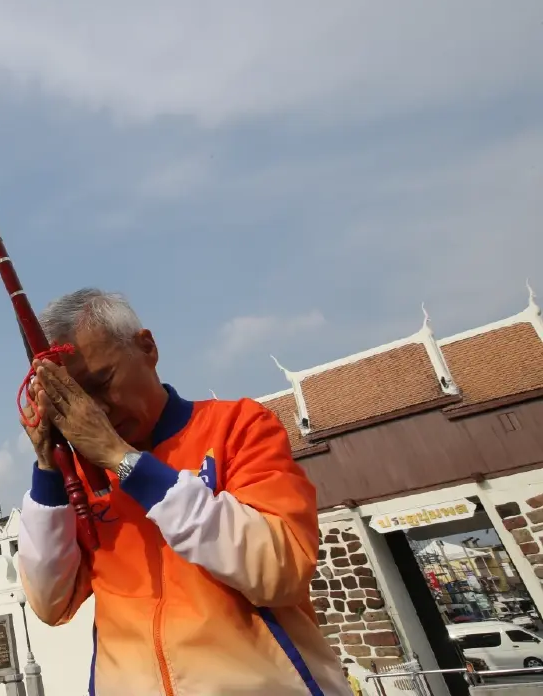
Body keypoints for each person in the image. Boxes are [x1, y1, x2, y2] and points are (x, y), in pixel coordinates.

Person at [17, 289, 349, 695]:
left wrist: (126, 462)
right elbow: (52, 604)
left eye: (102, 383)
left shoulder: (238, 426)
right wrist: (49, 467)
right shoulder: (85, 482)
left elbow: (280, 568)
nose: (94, 412)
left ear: (147, 347)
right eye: (74, 400)